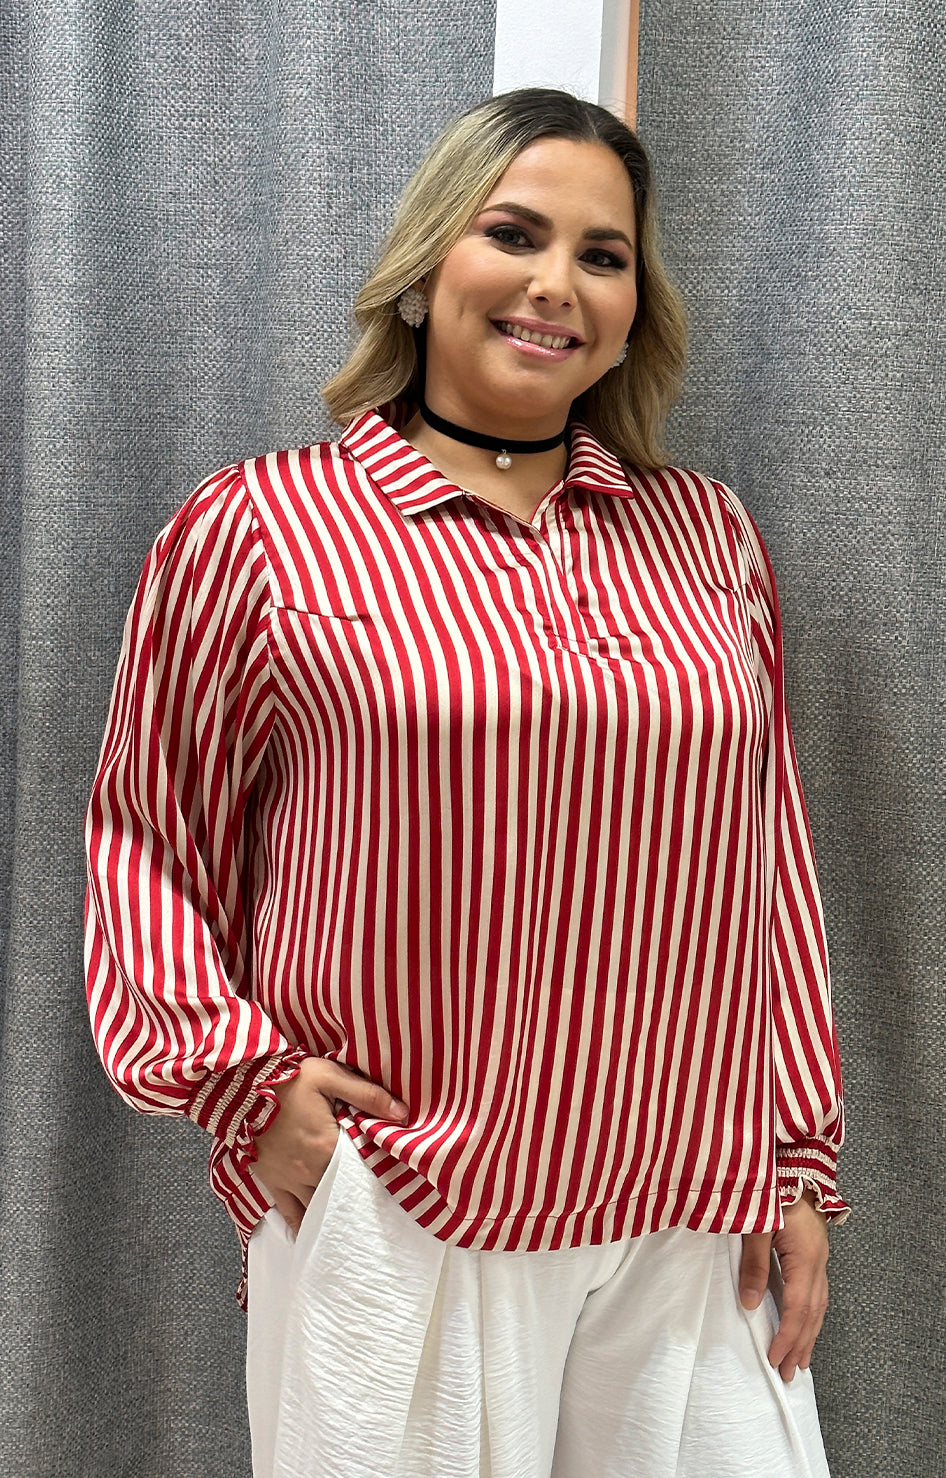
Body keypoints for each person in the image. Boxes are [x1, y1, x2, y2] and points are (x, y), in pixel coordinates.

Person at [85, 88, 848, 1478]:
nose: (556, 284)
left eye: (602, 255)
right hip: (408, 1196)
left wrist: (795, 1154)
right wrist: (248, 1089)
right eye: (514, 234)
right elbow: (148, 838)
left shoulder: (706, 537)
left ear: (634, 303)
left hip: (690, 1202)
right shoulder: (260, 529)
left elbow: (765, 864)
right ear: (428, 260)